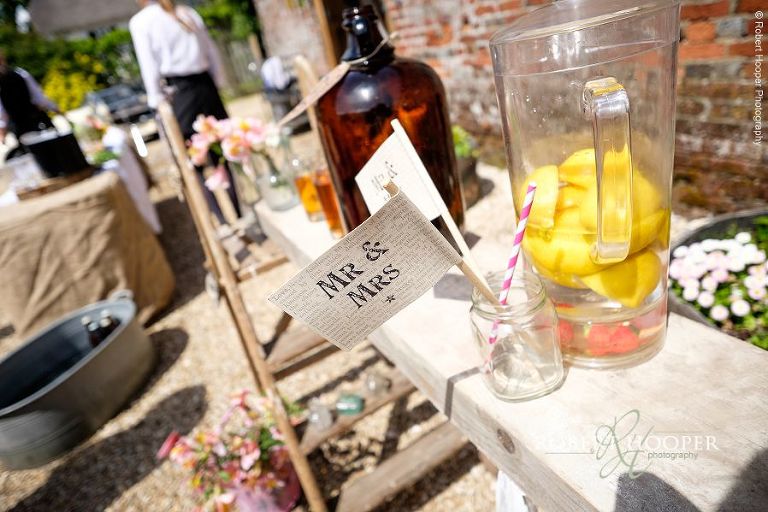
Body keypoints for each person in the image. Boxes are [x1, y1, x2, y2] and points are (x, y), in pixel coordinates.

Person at [130, 0, 241, 223]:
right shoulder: (188, 12)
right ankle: (238, 213)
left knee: (193, 160)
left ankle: (221, 221)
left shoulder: (142, 21)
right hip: (206, 87)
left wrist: (156, 102)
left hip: (180, 94)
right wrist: (215, 84)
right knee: (222, 152)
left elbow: (148, 65)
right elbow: (212, 52)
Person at [0, 50, 60, 145]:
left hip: (22, 127)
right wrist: (55, 109)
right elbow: (39, 98)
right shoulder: (20, 73)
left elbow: (2, 113)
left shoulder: (20, 74)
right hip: (35, 120)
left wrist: (2, 133)